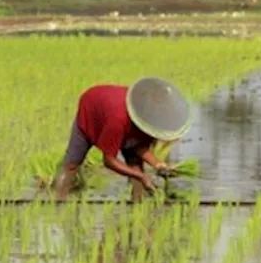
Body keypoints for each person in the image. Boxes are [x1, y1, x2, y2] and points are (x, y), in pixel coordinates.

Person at [56, 77, 193, 201]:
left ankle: (137, 205)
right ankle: (58, 201)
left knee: (137, 166)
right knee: (72, 164)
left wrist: (157, 164)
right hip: (90, 110)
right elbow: (109, 160)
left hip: (117, 117)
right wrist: (141, 177)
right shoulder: (118, 120)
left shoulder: (150, 119)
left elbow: (138, 146)